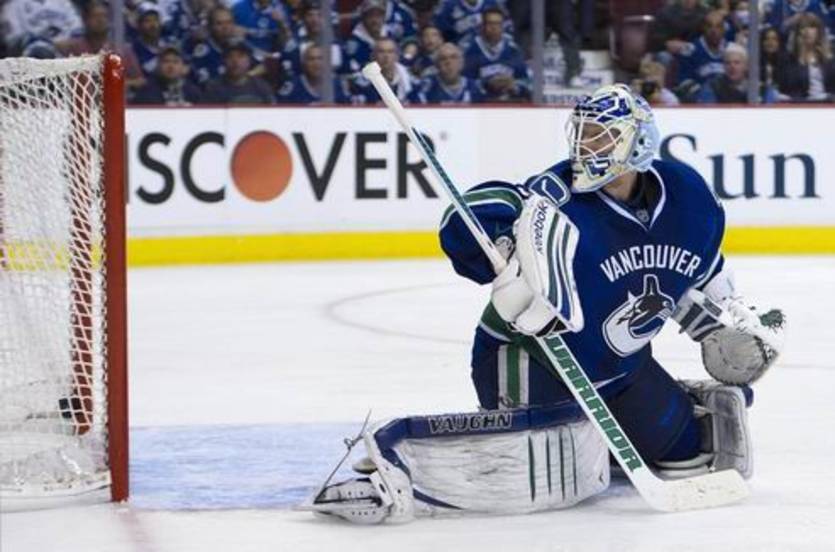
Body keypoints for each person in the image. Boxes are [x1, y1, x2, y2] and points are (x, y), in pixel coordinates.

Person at [303, 84, 785, 523]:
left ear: (637, 142)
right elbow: (487, 211)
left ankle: (618, 433)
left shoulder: (687, 196)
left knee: (685, 452)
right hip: (531, 356)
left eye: (600, 136)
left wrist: (715, 328)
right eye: (582, 134)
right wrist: (497, 243)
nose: (585, 147)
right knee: (535, 473)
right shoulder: (555, 198)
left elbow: (684, 276)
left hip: (623, 369)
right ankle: (395, 466)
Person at [462, 7, 529, 102]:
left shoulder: (513, 50)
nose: (494, 27)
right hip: (481, 104)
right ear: (482, 26)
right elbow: (464, 84)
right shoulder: (470, 50)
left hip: (510, 103)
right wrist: (486, 84)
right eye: (490, 23)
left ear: (503, 26)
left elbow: (526, 81)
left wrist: (513, 85)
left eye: (498, 24)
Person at [778, 12, 835, 101]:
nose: (807, 31)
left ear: (818, 32)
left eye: (812, 27)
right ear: (798, 33)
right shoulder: (789, 60)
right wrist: (801, 53)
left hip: (826, 103)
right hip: (802, 104)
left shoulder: (828, 59)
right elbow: (789, 88)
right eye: (803, 27)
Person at [697, 42, 779, 103]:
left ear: (746, 66)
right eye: (728, 63)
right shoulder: (712, 87)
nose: (732, 67)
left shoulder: (762, 90)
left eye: (737, 63)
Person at [202, 40, 274, 103]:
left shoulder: (262, 87)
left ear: (249, 60)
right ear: (223, 61)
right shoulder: (213, 88)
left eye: (240, 56)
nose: (235, 61)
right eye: (230, 56)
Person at [349, 37, 417, 103]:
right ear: (373, 56)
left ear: (397, 56)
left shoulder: (410, 82)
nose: (386, 56)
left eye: (390, 52)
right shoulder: (360, 84)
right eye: (381, 52)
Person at [411, 43, 484, 104]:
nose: (448, 62)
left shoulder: (475, 88)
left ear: (462, 63)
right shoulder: (425, 89)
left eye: (453, 57)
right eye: (443, 59)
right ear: (436, 65)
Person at [275, 45, 350, 103]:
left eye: (320, 58)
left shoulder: (339, 85)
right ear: (304, 64)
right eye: (311, 59)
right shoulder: (291, 86)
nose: (316, 63)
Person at [132, 46, 204, 105]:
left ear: (183, 67)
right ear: (158, 65)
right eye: (166, 61)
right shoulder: (146, 92)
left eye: (175, 62)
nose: (171, 66)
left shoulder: (193, 92)